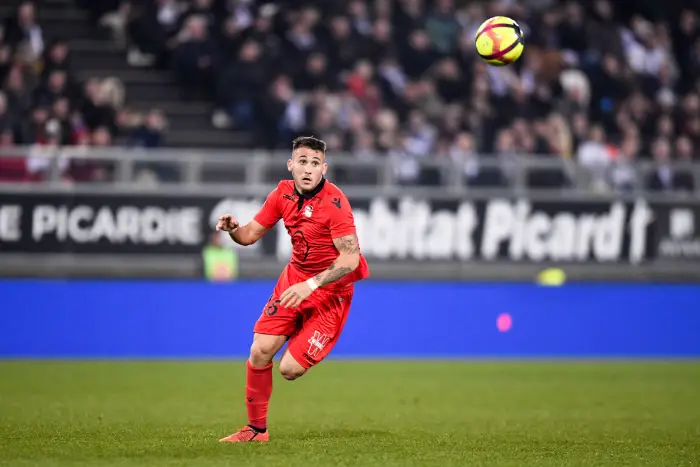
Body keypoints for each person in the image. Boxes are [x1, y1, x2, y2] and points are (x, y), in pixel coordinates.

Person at [215, 136, 370, 443]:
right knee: (259, 351)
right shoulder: (282, 193)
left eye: (315, 163)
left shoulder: (336, 204)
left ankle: (306, 331)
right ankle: (256, 430)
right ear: (291, 165)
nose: (308, 169)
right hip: (294, 282)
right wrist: (233, 229)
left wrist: (310, 285)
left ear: (324, 168)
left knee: (289, 369)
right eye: (302, 162)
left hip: (330, 292)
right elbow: (248, 236)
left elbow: (351, 259)